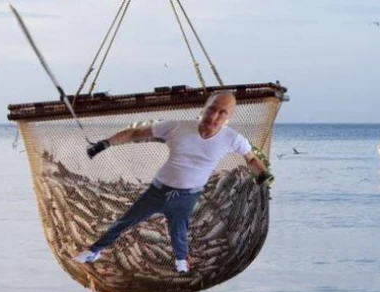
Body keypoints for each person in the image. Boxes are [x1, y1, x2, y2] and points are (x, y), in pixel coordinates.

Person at [73, 91, 273, 273]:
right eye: (211, 109)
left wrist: (263, 175)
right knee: (124, 222)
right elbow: (135, 133)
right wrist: (105, 144)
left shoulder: (233, 139)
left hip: (187, 196)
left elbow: (252, 159)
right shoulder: (177, 126)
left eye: (222, 112)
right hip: (157, 191)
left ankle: (181, 260)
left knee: (179, 232)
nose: (214, 116)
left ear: (228, 117)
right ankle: (94, 250)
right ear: (203, 108)